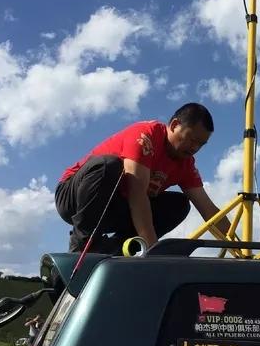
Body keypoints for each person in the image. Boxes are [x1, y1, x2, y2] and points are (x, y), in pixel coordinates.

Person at [55, 103, 231, 254]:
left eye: (201, 144)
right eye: (191, 139)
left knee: (179, 205)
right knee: (109, 165)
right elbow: (137, 195)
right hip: (73, 198)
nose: (195, 147)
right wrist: (153, 251)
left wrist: (241, 249)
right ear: (175, 124)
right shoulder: (146, 136)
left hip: (116, 208)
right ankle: (82, 245)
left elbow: (208, 209)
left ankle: (118, 250)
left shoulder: (185, 163)